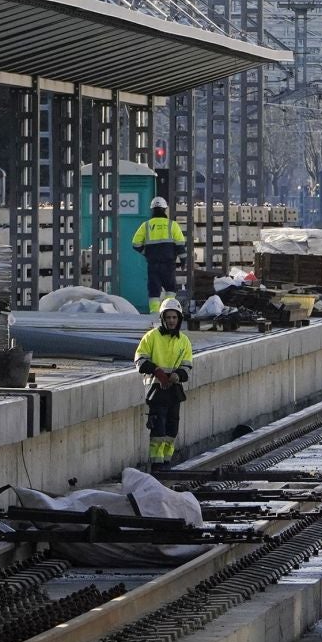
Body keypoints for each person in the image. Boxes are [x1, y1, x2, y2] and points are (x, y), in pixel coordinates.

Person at [135, 298, 192, 466]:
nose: (171, 321)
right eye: (168, 317)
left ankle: (167, 461)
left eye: (174, 317)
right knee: (158, 428)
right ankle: (157, 464)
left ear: (179, 319)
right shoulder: (151, 337)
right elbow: (140, 360)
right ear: (163, 318)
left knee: (172, 427)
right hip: (156, 390)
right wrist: (157, 371)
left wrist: (178, 375)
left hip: (174, 390)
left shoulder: (184, 341)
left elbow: (187, 365)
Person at [131, 197, 186, 312]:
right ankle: (168, 310)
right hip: (168, 264)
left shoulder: (146, 225)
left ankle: (154, 314)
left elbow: (135, 244)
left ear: (153, 210)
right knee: (170, 289)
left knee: (154, 291)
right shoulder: (172, 225)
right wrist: (183, 261)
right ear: (165, 209)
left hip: (153, 264)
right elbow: (180, 245)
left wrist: (147, 253)